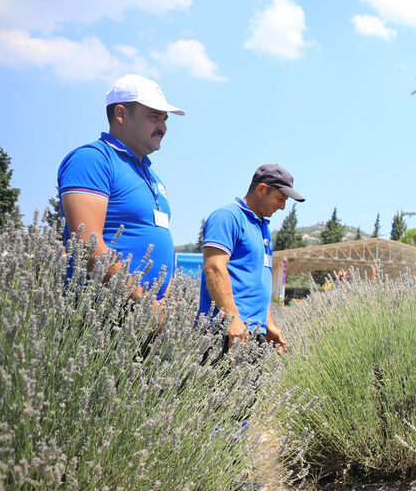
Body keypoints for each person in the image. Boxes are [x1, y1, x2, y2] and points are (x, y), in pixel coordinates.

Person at [57, 74, 185, 300]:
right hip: (102, 318)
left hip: (150, 321)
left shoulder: (152, 176)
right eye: (154, 116)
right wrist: (145, 306)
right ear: (121, 114)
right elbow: (88, 244)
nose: (162, 127)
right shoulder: (92, 160)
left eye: (165, 119)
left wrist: (168, 306)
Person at [200, 164, 305, 353]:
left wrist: (268, 323)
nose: (282, 207)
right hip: (225, 331)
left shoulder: (262, 228)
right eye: (280, 199)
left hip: (253, 331)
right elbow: (214, 268)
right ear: (262, 189)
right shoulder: (227, 218)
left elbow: (258, 280)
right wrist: (232, 321)